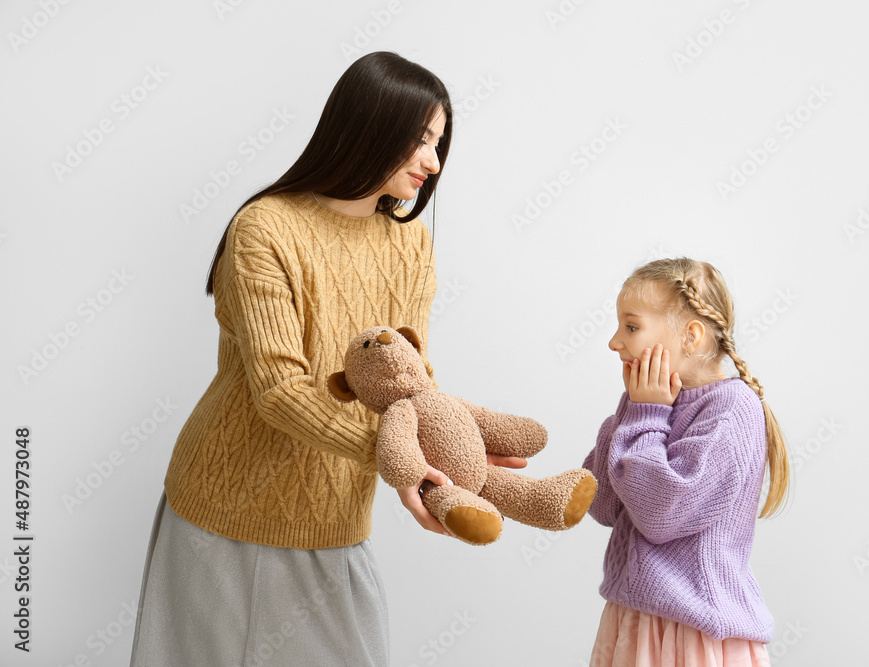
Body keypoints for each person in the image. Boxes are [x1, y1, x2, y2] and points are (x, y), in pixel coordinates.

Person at [129, 51, 525, 667]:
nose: (433, 161)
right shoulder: (266, 228)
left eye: (439, 142)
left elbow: (408, 383)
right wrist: (402, 462)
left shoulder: (410, 243)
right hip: (223, 505)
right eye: (421, 139)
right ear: (369, 126)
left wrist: (452, 440)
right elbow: (281, 391)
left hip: (332, 515)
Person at [582, 257, 791, 667]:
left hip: (694, 633)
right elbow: (601, 505)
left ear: (690, 337)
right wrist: (631, 412)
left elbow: (662, 515)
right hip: (634, 620)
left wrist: (644, 415)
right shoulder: (652, 406)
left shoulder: (731, 409)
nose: (614, 341)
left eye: (632, 326)